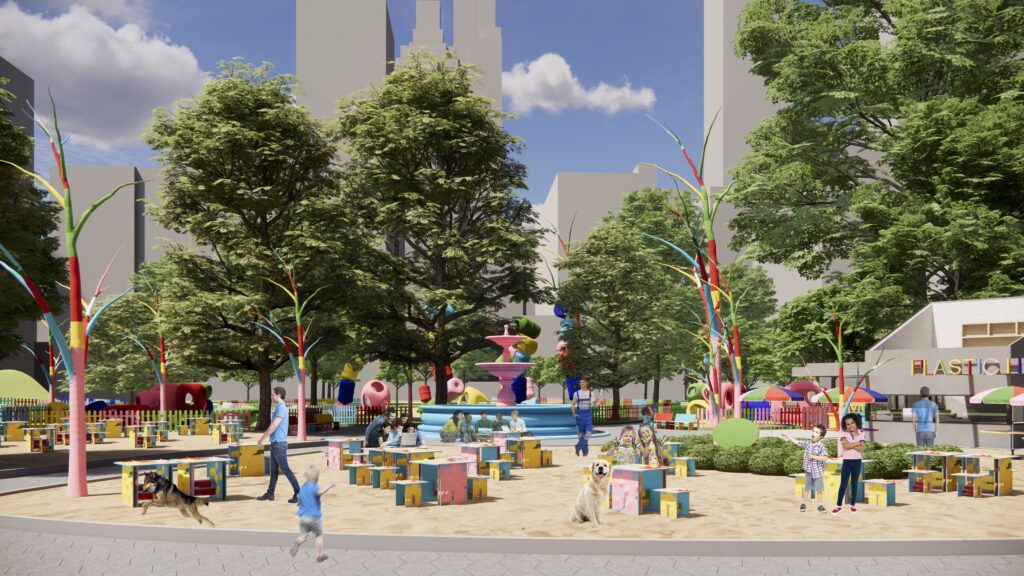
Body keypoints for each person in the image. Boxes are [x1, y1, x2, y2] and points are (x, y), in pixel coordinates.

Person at [257, 386, 301, 503]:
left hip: (279, 444)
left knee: (285, 469)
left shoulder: (281, 407)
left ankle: (299, 493)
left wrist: (262, 438)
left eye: (273, 395)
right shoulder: (279, 407)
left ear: (279, 395)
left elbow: (274, 425)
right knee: (274, 470)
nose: (271, 397)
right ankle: (270, 493)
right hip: (275, 443)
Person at [289, 465, 335, 563]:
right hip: (314, 517)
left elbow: (299, 502)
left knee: (303, 536)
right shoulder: (314, 487)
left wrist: (300, 504)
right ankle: (319, 555)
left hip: (303, 517)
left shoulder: (303, 487)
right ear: (315, 477)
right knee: (318, 535)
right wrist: (329, 487)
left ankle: (297, 543)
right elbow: (320, 493)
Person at [782, 424, 829, 513]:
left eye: (816, 432)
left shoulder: (821, 446)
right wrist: (787, 435)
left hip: (817, 472)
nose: (813, 433)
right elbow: (797, 442)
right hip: (808, 470)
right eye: (813, 431)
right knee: (807, 488)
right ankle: (803, 503)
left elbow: (825, 457)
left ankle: (820, 505)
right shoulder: (808, 443)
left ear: (821, 436)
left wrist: (814, 457)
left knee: (819, 489)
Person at [832, 413, 865, 515]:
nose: (850, 426)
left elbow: (862, 449)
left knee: (854, 484)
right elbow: (845, 446)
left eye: (852, 423)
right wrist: (857, 443)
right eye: (848, 424)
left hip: (857, 462)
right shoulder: (843, 434)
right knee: (843, 484)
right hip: (846, 462)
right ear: (845, 425)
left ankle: (853, 505)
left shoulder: (861, 434)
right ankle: (838, 506)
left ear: (856, 422)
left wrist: (851, 444)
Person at [571, 377, 594, 456]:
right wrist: (574, 414)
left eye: (583, 382)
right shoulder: (576, 393)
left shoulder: (591, 393)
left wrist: (597, 403)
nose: (581, 384)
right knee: (581, 434)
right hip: (580, 415)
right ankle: (585, 453)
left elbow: (593, 404)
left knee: (588, 433)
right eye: (581, 382)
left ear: (587, 383)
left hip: (588, 415)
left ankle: (577, 447)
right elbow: (573, 404)